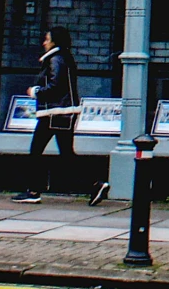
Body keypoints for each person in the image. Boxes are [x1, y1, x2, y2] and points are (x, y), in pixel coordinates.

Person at [12, 29, 104, 205]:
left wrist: (36, 91)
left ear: (55, 42)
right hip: (62, 112)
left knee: (37, 151)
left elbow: (56, 85)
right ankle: (95, 184)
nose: (44, 43)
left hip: (55, 113)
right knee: (66, 154)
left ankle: (33, 191)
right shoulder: (63, 58)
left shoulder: (55, 59)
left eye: (47, 39)